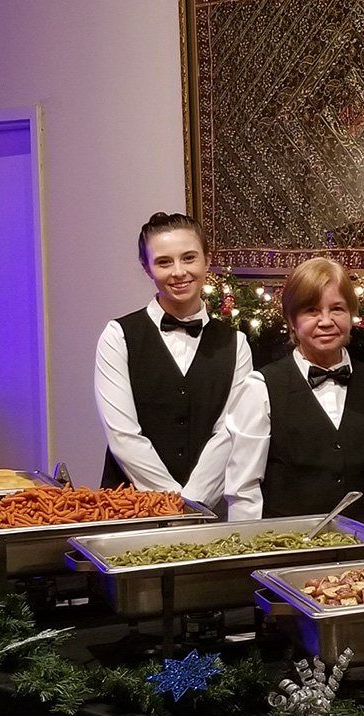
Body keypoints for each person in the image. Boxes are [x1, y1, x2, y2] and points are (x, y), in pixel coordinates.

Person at [222, 257, 364, 548]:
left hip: (363, 560)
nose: (326, 321)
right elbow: (244, 492)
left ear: (352, 315)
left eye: (337, 309)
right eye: (311, 310)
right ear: (291, 320)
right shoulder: (261, 387)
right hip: (287, 556)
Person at [94, 211, 251, 509]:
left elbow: (230, 432)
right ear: (147, 268)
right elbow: (123, 435)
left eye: (189, 258)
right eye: (164, 262)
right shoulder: (118, 336)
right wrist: (172, 502)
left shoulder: (236, 343)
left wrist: (192, 502)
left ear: (207, 259)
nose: (179, 272)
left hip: (203, 508)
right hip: (128, 507)